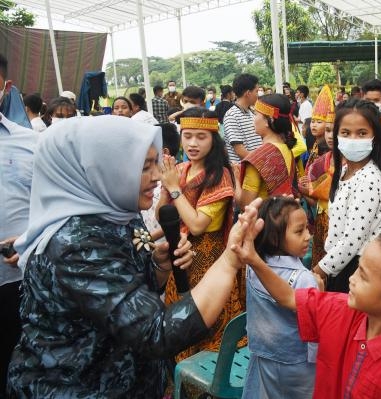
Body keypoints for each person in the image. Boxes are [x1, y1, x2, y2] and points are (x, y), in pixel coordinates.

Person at [7, 115, 256, 397]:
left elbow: (133, 291)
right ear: (100, 170)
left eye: (155, 163)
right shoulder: (78, 244)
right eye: (143, 166)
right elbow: (155, 333)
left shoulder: (118, 215)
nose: (157, 177)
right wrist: (230, 259)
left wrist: (159, 266)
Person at [231, 211, 381, 398]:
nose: (352, 278)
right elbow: (288, 297)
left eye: (363, 276)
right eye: (358, 268)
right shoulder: (340, 310)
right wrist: (254, 260)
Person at [157, 108, 243, 358]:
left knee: (208, 323)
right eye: (188, 136)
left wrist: (174, 188)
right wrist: (166, 187)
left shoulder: (220, 176)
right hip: (180, 254)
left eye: (201, 137)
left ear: (214, 139)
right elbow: (163, 216)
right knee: (179, 321)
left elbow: (196, 225)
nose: (193, 143)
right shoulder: (181, 169)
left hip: (206, 258)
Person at [313, 99, 381, 293]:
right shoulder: (344, 170)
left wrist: (317, 272)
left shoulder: (369, 179)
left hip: (355, 268)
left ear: (374, 136)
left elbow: (351, 242)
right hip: (339, 264)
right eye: (345, 133)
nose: (353, 139)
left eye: (362, 133)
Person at [242, 197, 317, 399]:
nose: (308, 236)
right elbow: (315, 333)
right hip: (299, 366)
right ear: (275, 238)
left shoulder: (252, 267)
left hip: (264, 356)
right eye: (299, 231)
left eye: (307, 229)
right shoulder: (304, 279)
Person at [0, 53, 37, 397]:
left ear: (5, 87)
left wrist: (31, 238)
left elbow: (53, 206)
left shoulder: (30, 144)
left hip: (17, 281)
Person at [239, 94, 296, 208]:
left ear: (267, 120)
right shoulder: (286, 148)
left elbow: (245, 205)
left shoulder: (257, 158)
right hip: (282, 217)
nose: (253, 119)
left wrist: (235, 181)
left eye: (255, 114)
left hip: (263, 221)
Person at [303, 113, 335, 269]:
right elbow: (316, 198)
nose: (330, 136)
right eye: (328, 130)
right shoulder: (320, 162)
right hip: (321, 218)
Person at [224, 73, 261, 164]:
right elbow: (240, 151)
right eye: (256, 91)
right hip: (243, 172)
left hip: (255, 168)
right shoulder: (232, 115)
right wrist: (261, 164)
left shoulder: (251, 112)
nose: (258, 95)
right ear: (248, 93)